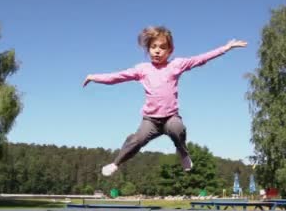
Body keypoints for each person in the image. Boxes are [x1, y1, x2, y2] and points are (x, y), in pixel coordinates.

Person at [82, 26, 247, 176]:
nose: (157, 51)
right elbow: (117, 77)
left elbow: (201, 59)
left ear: (170, 50)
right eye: (153, 47)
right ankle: (116, 163)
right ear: (148, 50)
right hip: (151, 120)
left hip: (170, 117)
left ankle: (183, 153)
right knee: (136, 140)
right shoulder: (142, 69)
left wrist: (225, 48)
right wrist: (94, 77)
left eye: (162, 48)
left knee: (177, 128)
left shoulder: (176, 65)